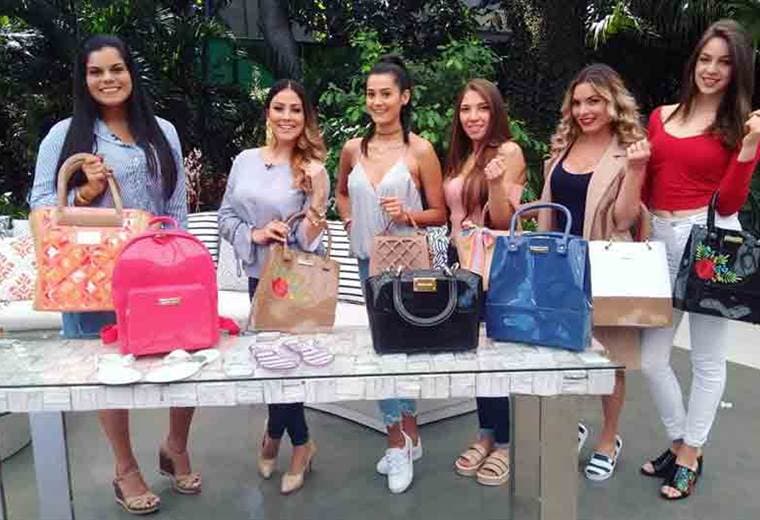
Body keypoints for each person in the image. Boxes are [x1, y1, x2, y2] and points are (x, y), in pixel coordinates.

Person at [30, 35, 193, 515]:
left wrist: (181, 258)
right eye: (96, 72)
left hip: (156, 272)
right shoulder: (65, 136)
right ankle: (125, 468)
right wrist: (84, 194)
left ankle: (176, 446)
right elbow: (42, 205)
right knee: (108, 376)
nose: (108, 79)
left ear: (131, 72)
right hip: (91, 279)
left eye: (116, 69)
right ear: (83, 80)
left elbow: (175, 204)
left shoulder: (162, 131)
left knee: (185, 358)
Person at [638, 19, 760, 500]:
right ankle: (679, 440)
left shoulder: (739, 128)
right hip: (659, 239)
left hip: (711, 241)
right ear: (694, 62)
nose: (712, 69)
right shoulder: (660, 117)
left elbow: (728, 203)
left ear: (737, 70)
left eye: (724, 62)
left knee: (708, 359)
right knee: (651, 359)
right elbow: (647, 187)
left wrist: (748, 151)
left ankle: (690, 452)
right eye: (706, 59)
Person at [335, 55, 446, 493]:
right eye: (371, 94)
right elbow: (342, 193)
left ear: (404, 97)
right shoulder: (352, 149)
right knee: (383, 351)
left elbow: (439, 213)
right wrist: (348, 220)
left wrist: (407, 215)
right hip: (369, 263)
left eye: (386, 94)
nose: (377, 102)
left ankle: (402, 441)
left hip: (408, 265)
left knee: (402, 351)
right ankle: (402, 439)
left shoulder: (420, 151)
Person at [218, 79, 329, 495]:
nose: (287, 116)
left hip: (294, 280)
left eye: (295, 109)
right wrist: (256, 233)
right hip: (256, 276)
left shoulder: (311, 168)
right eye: (279, 108)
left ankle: (285, 440)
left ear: (306, 117)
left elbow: (312, 240)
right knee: (270, 362)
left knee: (287, 363)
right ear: (268, 113)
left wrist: (319, 193)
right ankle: (297, 440)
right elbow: (226, 216)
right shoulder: (245, 160)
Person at [539, 63, 648, 481]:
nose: (584, 110)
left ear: (612, 103)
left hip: (606, 265)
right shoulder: (562, 148)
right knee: (564, 353)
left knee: (610, 360)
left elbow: (624, 220)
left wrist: (636, 172)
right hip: (561, 267)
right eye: (578, 102)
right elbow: (551, 209)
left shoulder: (628, 152)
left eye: (595, 101)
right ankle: (573, 425)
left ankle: (608, 437)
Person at [445, 79, 525, 486]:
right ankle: (485, 434)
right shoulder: (462, 156)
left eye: (482, 108)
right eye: (465, 109)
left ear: (495, 112)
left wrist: (494, 184)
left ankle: (507, 443)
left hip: (495, 271)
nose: (473, 117)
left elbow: (502, 220)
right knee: (477, 355)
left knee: (496, 356)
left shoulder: (508, 152)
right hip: (463, 269)